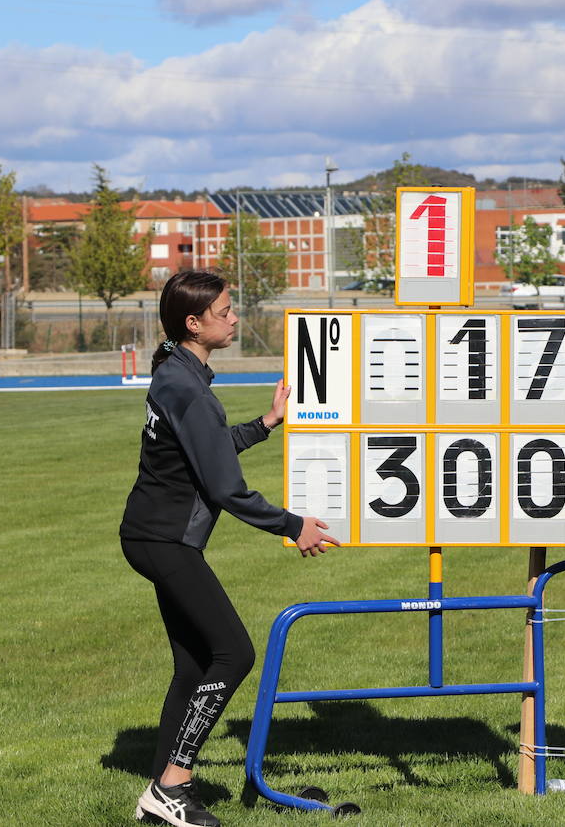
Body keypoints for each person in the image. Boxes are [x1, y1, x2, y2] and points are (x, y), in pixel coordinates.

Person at [121, 269, 338, 827]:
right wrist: (293, 525)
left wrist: (267, 423)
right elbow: (224, 487)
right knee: (234, 653)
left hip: (153, 535)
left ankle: (161, 791)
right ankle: (172, 784)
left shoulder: (179, 376)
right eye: (224, 310)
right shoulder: (185, 386)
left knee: (193, 665)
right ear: (194, 324)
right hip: (164, 540)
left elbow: (209, 448)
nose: (234, 316)